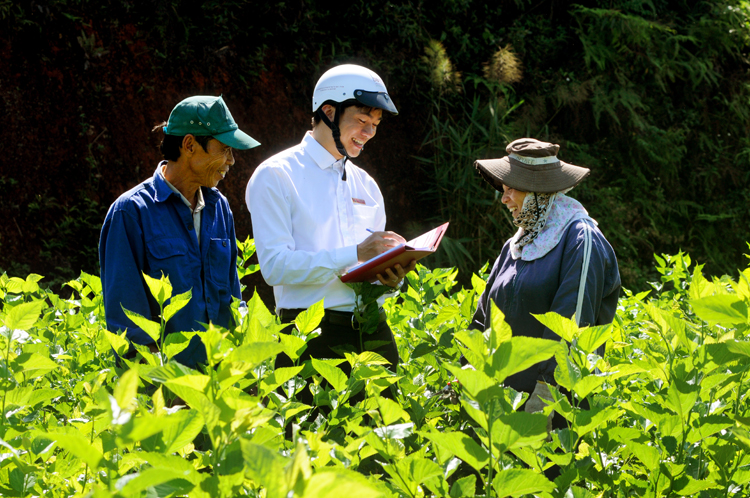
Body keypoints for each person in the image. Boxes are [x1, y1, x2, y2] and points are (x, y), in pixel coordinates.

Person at [245, 64, 415, 379]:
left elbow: (371, 271)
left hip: (374, 330)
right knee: (312, 430)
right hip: (310, 337)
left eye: (375, 124)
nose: (369, 133)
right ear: (328, 112)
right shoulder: (276, 175)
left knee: (395, 428)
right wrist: (357, 253)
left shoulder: (367, 185)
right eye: (362, 120)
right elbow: (275, 267)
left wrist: (391, 279)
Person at [99, 95, 260, 368]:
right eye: (224, 149)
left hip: (219, 389)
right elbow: (128, 325)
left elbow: (234, 304)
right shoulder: (130, 213)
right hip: (166, 398)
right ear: (189, 145)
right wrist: (166, 392)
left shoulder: (218, 207)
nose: (231, 160)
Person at [470, 138, 621, 415]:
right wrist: (465, 373)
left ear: (536, 190)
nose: (503, 199)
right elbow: (483, 319)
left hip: (547, 412)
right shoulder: (517, 245)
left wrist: (544, 402)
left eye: (510, 189)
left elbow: (570, 329)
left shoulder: (581, 240)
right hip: (496, 407)